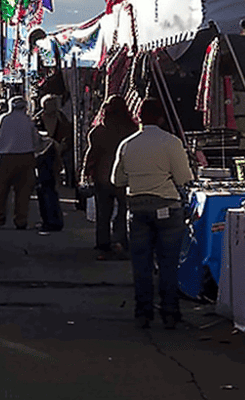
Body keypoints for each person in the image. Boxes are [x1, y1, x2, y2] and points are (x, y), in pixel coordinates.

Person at [111, 97, 194, 330]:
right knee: (168, 263)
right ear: (161, 118)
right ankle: (170, 312)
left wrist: (137, 178)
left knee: (141, 264)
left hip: (137, 208)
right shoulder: (171, 142)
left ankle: (143, 312)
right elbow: (184, 178)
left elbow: (116, 179)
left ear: (139, 117)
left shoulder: (127, 144)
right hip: (167, 207)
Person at [82, 95, 137, 259]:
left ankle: (103, 242)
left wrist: (86, 173)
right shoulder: (131, 130)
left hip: (103, 176)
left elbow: (91, 155)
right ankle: (120, 240)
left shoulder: (99, 131)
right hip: (124, 177)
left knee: (103, 212)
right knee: (122, 210)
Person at [0, 95, 44, 230]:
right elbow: (36, 140)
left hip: (5, 158)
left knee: (1, 190)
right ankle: (21, 220)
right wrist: (36, 153)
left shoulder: (1, 120)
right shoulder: (28, 121)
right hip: (26, 158)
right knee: (23, 192)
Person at [35, 94, 73, 187]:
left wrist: (62, 144)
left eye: (53, 104)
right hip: (43, 149)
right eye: (48, 104)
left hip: (61, 148)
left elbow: (68, 132)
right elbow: (35, 135)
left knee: (68, 158)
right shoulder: (38, 119)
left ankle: (68, 181)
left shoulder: (61, 118)